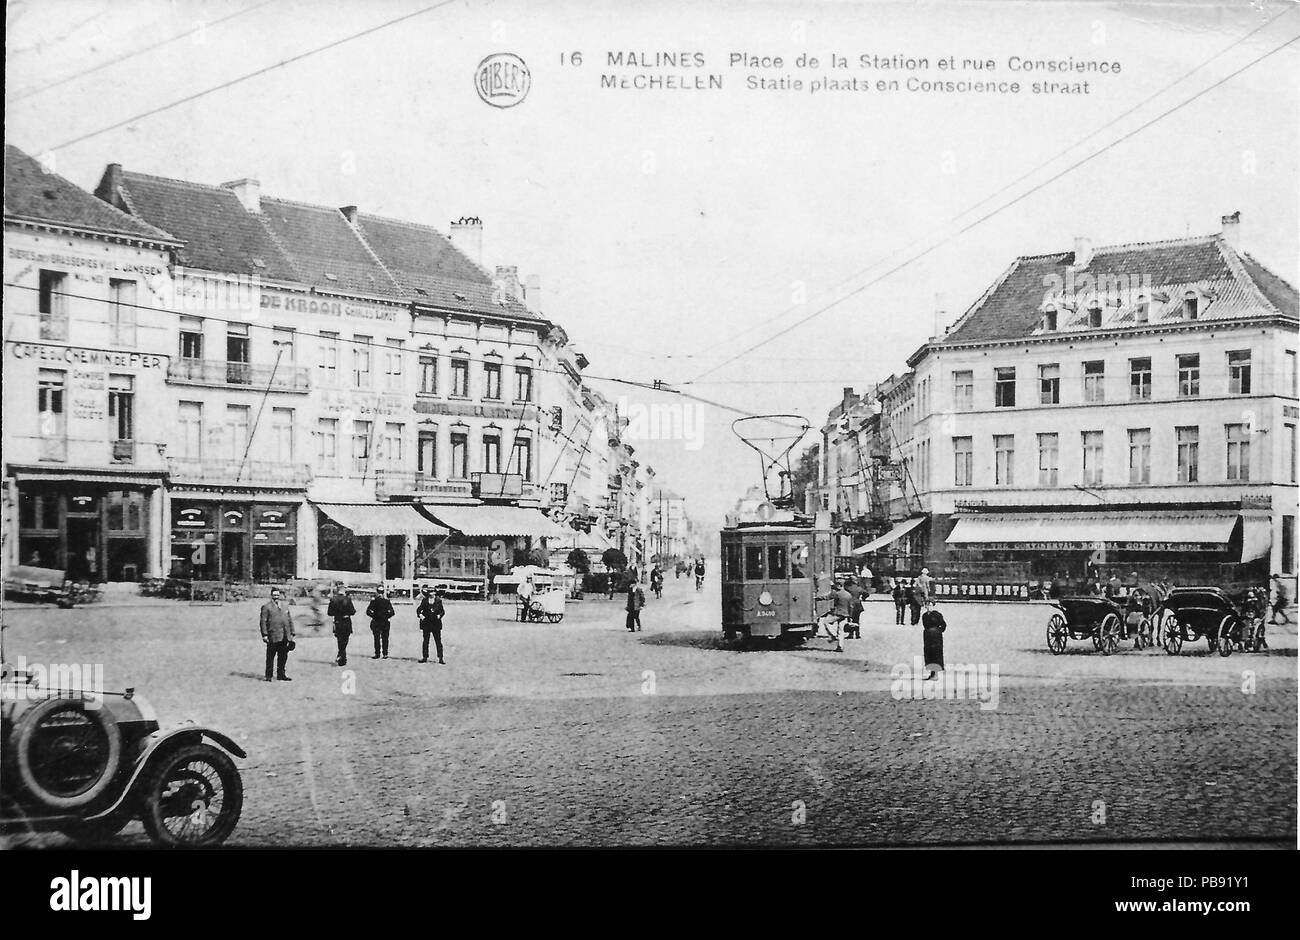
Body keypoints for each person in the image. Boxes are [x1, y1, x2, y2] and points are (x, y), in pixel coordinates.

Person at [259, 587, 295, 681]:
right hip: (273, 635)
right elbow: (263, 621)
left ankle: (281, 675)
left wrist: (292, 632)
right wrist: (265, 635)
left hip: (284, 635)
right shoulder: (266, 607)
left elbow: (289, 619)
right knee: (270, 656)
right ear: (271, 595)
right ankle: (268, 676)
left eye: (278, 595)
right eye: (274, 595)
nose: (276, 597)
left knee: (283, 656)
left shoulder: (284, 605)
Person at [327, 581, 355, 666]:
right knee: (345, 639)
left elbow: (329, 613)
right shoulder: (347, 599)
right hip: (346, 621)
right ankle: (342, 656)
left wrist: (337, 613)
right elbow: (352, 611)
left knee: (339, 640)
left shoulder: (333, 600)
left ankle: (341, 656)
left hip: (338, 621)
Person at [417, 584, 446, 663]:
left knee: (438, 641)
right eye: (430, 592)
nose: (431, 594)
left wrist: (439, 615)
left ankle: (440, 658)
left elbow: (442, 611)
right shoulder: (424, 600)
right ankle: (425, 657)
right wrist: (420, 615)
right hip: (426, 623)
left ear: (435, 593)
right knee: (426, 641)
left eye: (432, 592)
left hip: (436, 624)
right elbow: (419, 610)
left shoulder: (438, 600)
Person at [366, 586, 395, 659]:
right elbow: (392, 612)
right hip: (384, 622)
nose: (380, 594)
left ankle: (378, 653)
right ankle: (384, 653)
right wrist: (386, 616)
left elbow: (368, 611)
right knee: (383, 638)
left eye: (380, 592)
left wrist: (374, 616)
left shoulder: (374, 601)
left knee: (378, 638)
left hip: (378, 621)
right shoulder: (386, 601)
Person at [920, 600, 946, 681]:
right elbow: (924, 625)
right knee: (928, 654)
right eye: (926, 605)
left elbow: (943, 625)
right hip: (928, 636)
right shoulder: (924, 615)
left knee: (936, 654)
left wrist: (938, 631)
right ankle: (931, 673)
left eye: (930, 605)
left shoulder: (937, 615)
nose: (928, 607)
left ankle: (936, 674)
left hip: (936, 637)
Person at [843, 575, 865, 639]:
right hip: (858, 605)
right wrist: (863, 598)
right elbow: (866, 593)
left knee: (850, 619)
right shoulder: (858, 588)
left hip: (850, 604)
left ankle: (851, 634)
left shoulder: (847, 588)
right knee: (857, 620)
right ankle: (858, 634)